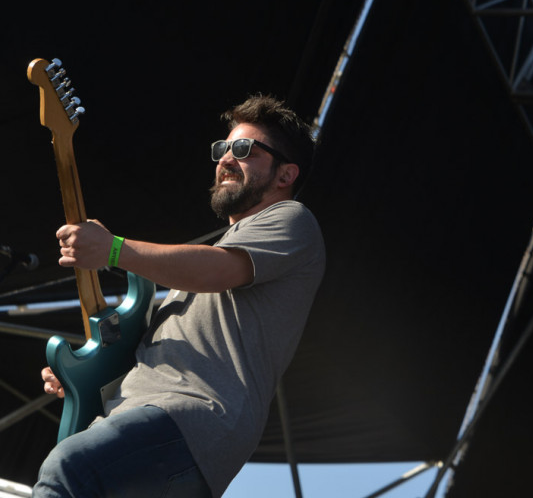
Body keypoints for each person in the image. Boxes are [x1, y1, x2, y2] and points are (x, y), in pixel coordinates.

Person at [33, 95, 325, 497]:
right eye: (222, 148)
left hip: (190, 419)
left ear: (285, 174)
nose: (225, 158)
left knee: (68, 469)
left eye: (243, 150)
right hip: (145, 423)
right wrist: (83, 376)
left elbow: (218, 269)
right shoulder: (201, 271)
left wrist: (115, 250)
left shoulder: (292, 220)